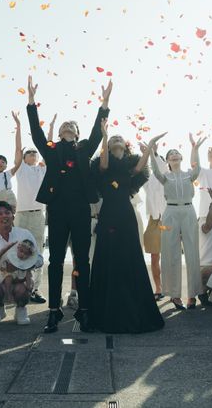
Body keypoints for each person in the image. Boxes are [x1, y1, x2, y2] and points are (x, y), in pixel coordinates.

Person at [26, 76, 112, 333]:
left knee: (82, 260)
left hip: (81, 210)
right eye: (64, 125)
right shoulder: (51, 149)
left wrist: (104, 103)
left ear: (76, 133)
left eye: (71, 126)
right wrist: (31, 102)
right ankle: (54, 310)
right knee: (55, 260)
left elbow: (97, 131)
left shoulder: (84, 149)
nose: (66, 126)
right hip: (57, 210)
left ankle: (84, 310)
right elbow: (36, 133)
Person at [87, 122, 164, 333]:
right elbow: (103, 165)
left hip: (126, 215)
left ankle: (132, 305)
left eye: (119, 138)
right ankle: (107, 309)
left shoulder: (130, 165)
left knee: (130, 257)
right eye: (113, 139)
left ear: (125, 145)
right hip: (108, 214)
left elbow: (140, 168)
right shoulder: (103, 164)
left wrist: (150, 146)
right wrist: (105, 136)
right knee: (107, 256)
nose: (117, 139)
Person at [149, 132, 206, 310]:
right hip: (170, 212)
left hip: (188, 211)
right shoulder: (165, 176)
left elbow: (197, 167)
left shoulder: (189, 175)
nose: (174, 154)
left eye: (176, 153)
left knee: (192, 252)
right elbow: (155, 170)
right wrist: (151, 150)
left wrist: (195, 149)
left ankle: (192, 295)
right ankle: (174, 294)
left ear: (181, 158)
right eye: (171, 154)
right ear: (167, 160)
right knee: (170, 252)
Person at [0, 202, 43, 325]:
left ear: (13, 217)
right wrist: (2, 266)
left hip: (20, 281)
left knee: (22, 290)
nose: (4, 216)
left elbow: (39, 260)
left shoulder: (25, 234)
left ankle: (21, 310)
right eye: (0, 214)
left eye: (7, 213)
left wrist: (21, 265)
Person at [14, 146, 47, 304]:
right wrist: (18, 131)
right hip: (22, 214)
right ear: (24, 157)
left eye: (35, 152)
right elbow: (17, 151)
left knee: (38, 250)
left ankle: (35, 288)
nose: (33, 154)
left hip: (38, 214)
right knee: (19, 249)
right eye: (29, 152)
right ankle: (19, 286)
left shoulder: (42, 169)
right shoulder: (21, 169)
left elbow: (48, 147)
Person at [142, 147, 167, 300]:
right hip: (153, 220)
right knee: (154, 256)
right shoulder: (148, 180)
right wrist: (146, 154)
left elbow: (161, 166)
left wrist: (154, 153)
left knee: (169, 256)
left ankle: (170, 288)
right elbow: (142, 169)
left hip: (168, 219)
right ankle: (158, 288)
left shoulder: (167, 176)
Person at [0, 111, 22, 209]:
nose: (0, 163)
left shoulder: (8, 174)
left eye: (3, 162)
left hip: (10, 199)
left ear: (6, 166)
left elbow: (18, 165)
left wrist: (20, 156)